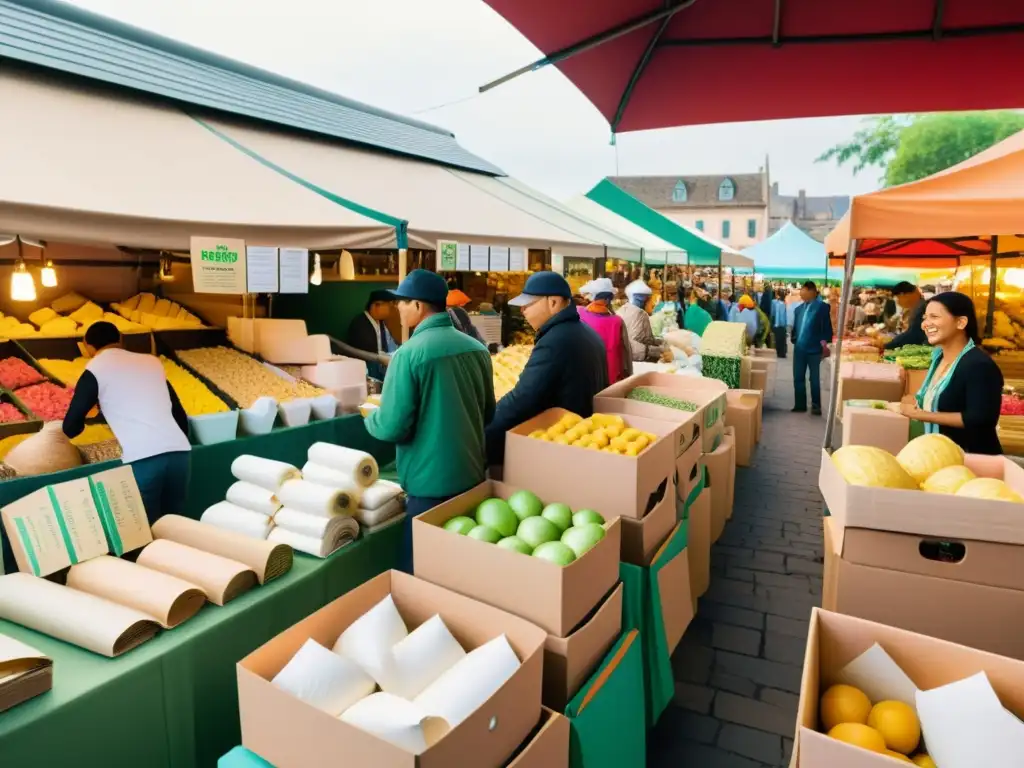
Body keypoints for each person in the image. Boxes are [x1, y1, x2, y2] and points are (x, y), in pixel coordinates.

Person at [363, 269, 494, 572]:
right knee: (462, 571)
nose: (397, 308)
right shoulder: (477, 349)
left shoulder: (408, 355)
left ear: (419, 306)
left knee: (418, 574)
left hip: (429, 486)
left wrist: (370, 416)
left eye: (402, 302)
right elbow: (488, 412)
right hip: (472, 478)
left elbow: (392, 426)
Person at [62, 321, 190, 523]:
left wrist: (71, 432)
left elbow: (70, 424)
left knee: (144, 527)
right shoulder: (151, 362)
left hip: (144, 457)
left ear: (88, 346)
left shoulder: (95, 368)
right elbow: (178, 413)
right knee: (174, 523)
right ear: (120, 339)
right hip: (180, 453)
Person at [485, 272, 608, 465]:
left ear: (553, 302)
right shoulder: (587, 333)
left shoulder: (555, 341)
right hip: (582, 438)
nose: (523, 310)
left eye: (529, 304)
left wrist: (483, 430)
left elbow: (523, 399)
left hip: (561, 446)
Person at [899, 292, 1003, 454]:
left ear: (961, 322)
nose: (925, 324)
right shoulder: (938, 357)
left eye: (934, 317)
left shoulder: (979, 365)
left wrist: (922, 415)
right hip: (939, 455)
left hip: (971, 460)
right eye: (925, 318)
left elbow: (980, 419)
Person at [577, 277, 632, 384]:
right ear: (609, 300)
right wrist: (628, 376)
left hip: (583, 374)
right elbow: (626, 351)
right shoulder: (617, 321)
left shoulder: (579, 313)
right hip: (610, 377)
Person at [792, 281, 833, 415]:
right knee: (798, 377)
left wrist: (824, 344)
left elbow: (826, 328)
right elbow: (795, 328)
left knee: (814, 378)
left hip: (814, 349)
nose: (800, 293)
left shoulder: (822, 307)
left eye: (802, 290)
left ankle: (816, 405)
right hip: (799, 349)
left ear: (811, 291)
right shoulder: (798, 309)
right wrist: (794, 339)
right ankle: (800, 404)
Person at [347, 290, 397, 380]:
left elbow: (390, 345)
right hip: (364, 373)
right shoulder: (359, 324)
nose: (390, 309)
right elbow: (364, 353)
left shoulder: (381, 323)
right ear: (376, 306)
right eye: (388, 306)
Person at [618, 279, 666, 362]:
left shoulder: (620, 310)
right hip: (637, 360)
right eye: (647, 299)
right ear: (642, 299)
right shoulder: (640, 314)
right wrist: (659, 350)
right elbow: (643, 342)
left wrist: (660, 342)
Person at [884, 281, 928, 349]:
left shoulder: (921, 309)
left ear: (903, 295)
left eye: (897, 298)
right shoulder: (918, 306)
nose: (898, 302)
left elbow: (913, 334)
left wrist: (888, 345)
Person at [771, 288, 789, 359]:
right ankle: (782, 353)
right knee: (782, 339)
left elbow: (772, 313)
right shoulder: (783, 304)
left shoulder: (774, 302)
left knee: (777, 339)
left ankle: (778, 352)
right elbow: (784, 316)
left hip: (776, 324)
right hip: (782, 324)